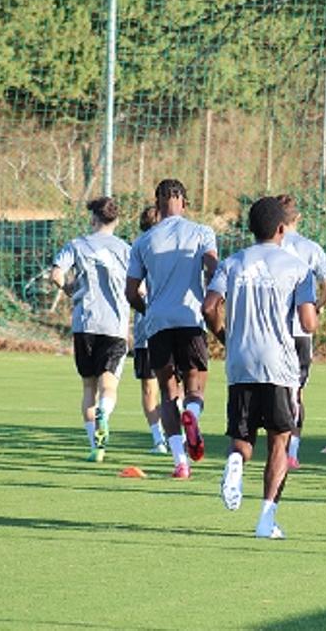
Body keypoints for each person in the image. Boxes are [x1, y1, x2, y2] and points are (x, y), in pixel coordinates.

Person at [202, 197, 318, 539]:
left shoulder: (232, 263)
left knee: (242, 437)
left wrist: (226, 335)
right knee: (280, 440)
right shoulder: (297, 267)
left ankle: (236, 463)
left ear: (251, 229)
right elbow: (308, 323)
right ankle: (266, 519)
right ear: (282, 229)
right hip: (279, 364)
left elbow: (209, 307)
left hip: (240, 362)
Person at [125, 179, 219, 479]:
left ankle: (180, 463)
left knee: (167, 394)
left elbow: (131, 292)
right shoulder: (202, 232)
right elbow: (213, 269)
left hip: (158, 323)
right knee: (194, 385)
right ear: (184, 202)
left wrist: (149, 311)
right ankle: (193, 413)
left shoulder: (143, 241)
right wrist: (213, 302)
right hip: (190, 318)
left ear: (157, 204)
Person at [50, 197, 131, 463]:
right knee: (109, 385)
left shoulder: (77, 245)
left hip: (85, 324)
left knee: (88, 388)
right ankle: (104, 414)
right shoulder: (125, 249)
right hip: (114, 325)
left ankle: (95, 448)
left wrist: (68, 289)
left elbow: (56, 274)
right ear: (116, 221)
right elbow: (139, 285)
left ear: (93, 219)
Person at [277, 195, 326, 470]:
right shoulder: (310, 248)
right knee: (297, 391)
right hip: (300, 329)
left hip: (273, 328)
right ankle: (292, 453)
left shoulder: (268, 247)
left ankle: (269, 448)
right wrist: (317, 307)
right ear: (297, 218)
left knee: (273, 389)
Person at [132, 205, 167, 454]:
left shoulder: (139, 248)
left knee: (149, 387)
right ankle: (177, 437)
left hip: (147, 330)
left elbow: (135, 289)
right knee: (172, 386)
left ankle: (160, 439)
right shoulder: (167, 250)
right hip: (166, 326)